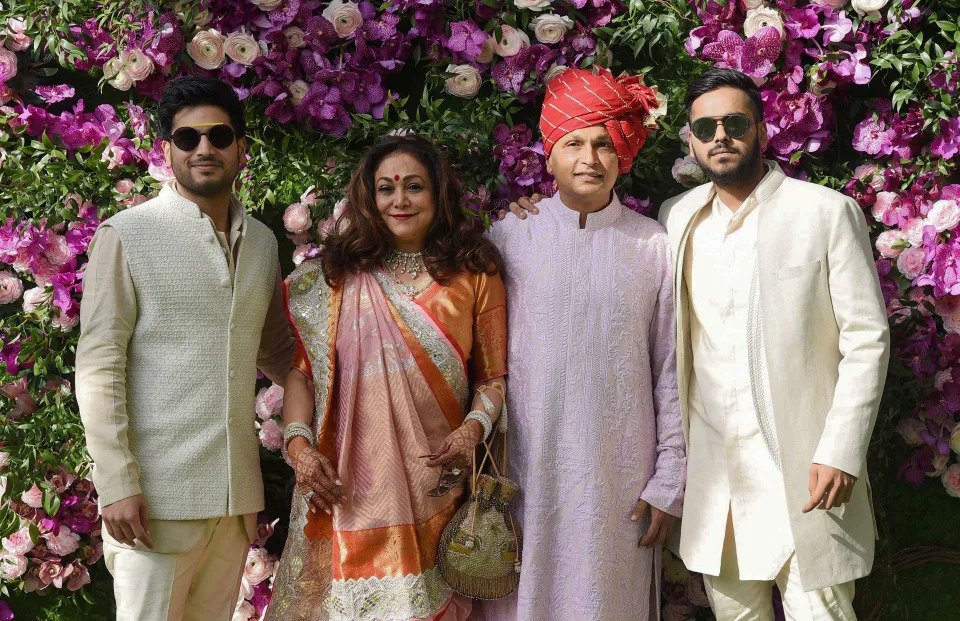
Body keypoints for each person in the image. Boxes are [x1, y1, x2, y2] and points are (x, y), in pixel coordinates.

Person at [507, 68, 890, 621]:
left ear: (760, 129)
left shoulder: (825, 212)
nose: (720, 136)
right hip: (721, 489)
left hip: (804, 475)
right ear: (690, 140)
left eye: (734, 123)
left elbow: (868, 340)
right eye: (705, 126)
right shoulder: (678, 220)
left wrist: (840, 452)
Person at [76, 75, 296, 621]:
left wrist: (365, 385)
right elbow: (99, 366)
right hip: (153, 503)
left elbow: (275, 351)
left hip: (234, 501)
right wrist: (118, 483)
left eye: (219, 136)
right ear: (167, 149)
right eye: (187, 138)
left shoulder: (264, 242)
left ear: (241, 150)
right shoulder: (127, 234)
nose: (204, 149)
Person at [265, 135, 509, 621]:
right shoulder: (334, 276)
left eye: (414, 186)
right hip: (345, 492)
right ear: (369, 199)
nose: (400, 200)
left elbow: (492, 379)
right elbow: (302, 375)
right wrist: (298, 447)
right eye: (386, 189)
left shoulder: (474, 272)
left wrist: (470, 433)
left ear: (438, 194)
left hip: (437, 483)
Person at [482, 67, 686, 621]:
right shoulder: (507, 238)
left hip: (619, 481)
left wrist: (670, 479)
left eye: (603, 144)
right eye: (573, 143)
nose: (589, 158)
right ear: (549, 156)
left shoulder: (652, 245)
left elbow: (669, 368)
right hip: (525, 476)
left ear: (624, 154)